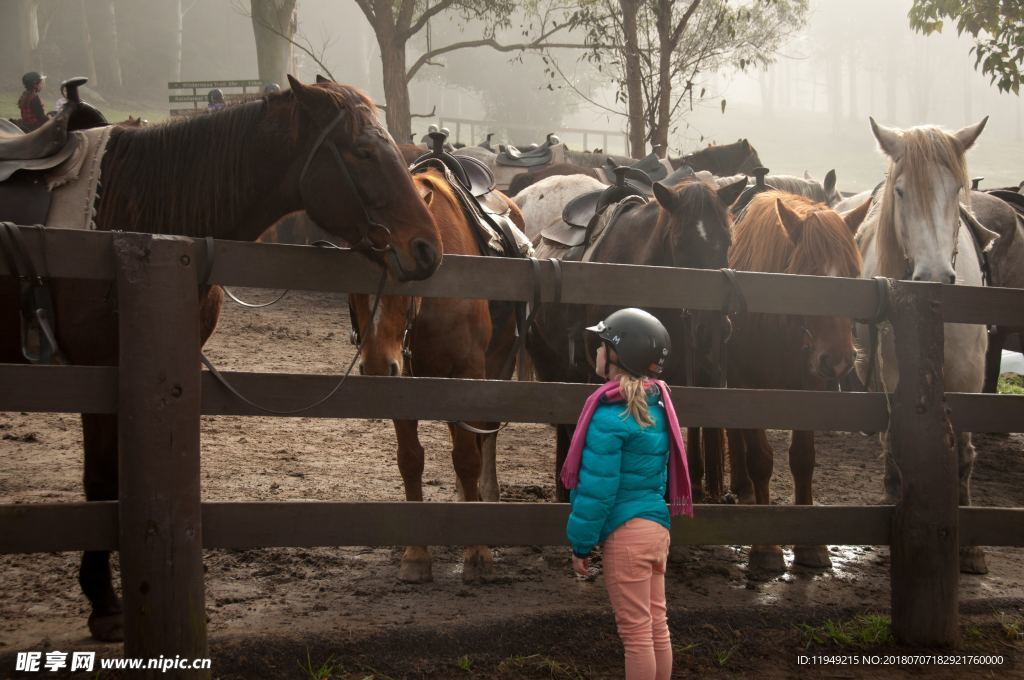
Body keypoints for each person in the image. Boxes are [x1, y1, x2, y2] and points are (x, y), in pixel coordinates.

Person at [563, 307, 692, 680]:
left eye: (602, 344)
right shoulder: (658, 406)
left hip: (626, 535)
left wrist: (581, 545)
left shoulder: (609, 416)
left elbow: (597, 492)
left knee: (636, 636)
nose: (597, 352)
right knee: (656, 626)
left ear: (618, 356)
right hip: (656, 529)